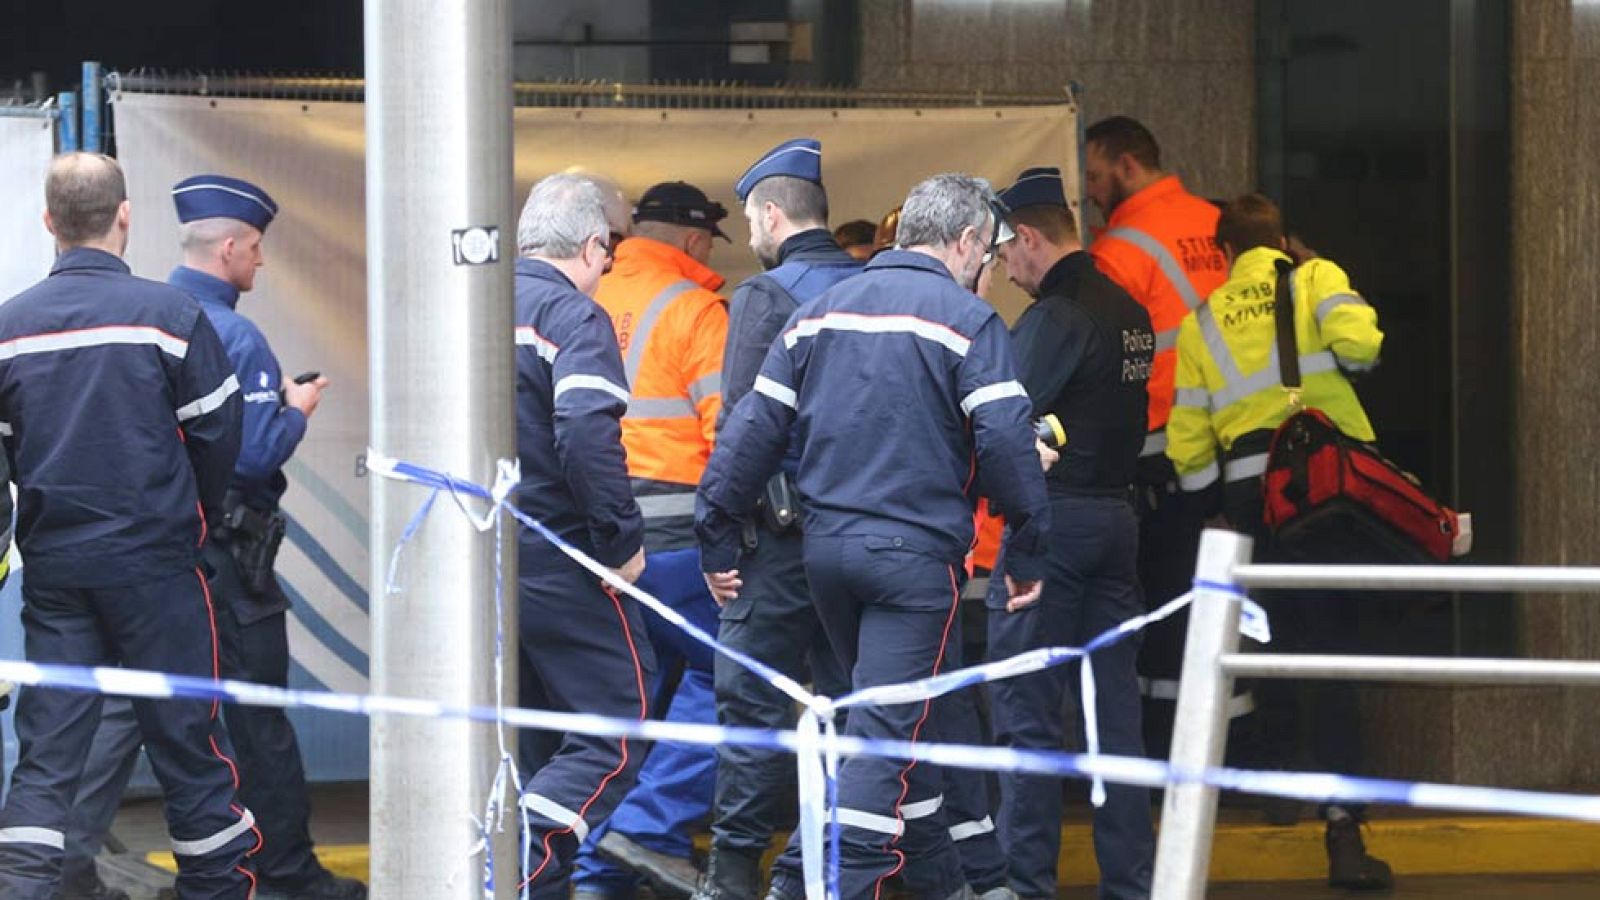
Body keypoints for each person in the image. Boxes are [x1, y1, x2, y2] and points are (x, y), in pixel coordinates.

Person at [697, 173, 1053, 900]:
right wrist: (1028, 548)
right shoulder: (966, 320)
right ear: (964, 244)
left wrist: (717, 534)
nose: (986, 275)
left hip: (825, 560)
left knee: (890, 730)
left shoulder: (817, 313)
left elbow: (750, 434)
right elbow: (1010, 442)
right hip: (913, 568)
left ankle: (947, 888)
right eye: (986, 259)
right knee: (881, 745)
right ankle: (810, 888)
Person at [0, 152, 256, 900]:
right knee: (190, 750)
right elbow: (218, 438)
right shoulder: (174, 318)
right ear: (125, 215)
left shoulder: (7, 330)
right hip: (160, 573)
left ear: (48, 223)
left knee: (47, 756)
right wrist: (192, 525)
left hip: (58, 578)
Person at [1165, 193, 1392, 891]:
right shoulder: (1313, 278)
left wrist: (1216, 510)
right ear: (1282, 243)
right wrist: (1324, 274)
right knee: (1333, 655)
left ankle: (1276, 784)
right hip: (1327, 497)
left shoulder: (1201, 321)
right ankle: (1343, 824)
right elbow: (1364, 347)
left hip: (1250, 510)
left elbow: (1189, 448)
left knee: (1271, 643)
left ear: (1226, 255)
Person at [694, 138, 861, 900]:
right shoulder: (873, 285)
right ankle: (808, 871)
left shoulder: (766, 296)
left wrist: (718, 537)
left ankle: (733, 876)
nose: (750, 237)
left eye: (749, 221)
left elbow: (743, 425)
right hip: (857, 539)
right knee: (846, 711)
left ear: (770, 214)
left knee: (753, 707)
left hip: (780, 546)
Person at [987, 167, 1156, 900]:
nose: (1003, 269)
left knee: (1027, 719)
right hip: (1117, 521)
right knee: (1114, 720)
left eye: (1003, 254)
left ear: (1029, 238)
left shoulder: (1057, 316)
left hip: (1054, 527)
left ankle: (1025, 887)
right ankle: (1132, 884)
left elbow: (1002, 419)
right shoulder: (1127, 308)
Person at [572, 181, 730, 900]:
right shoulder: (696, 308)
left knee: (635, 702)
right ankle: (645, 828)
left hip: (591, 537)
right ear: (695, 242)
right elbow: (728, 437)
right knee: (731, 678)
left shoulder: (582, 296)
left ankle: (597, 865)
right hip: (676, 541)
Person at [509, 173, 654, 899]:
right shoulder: (574, 317)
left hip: (478, 557)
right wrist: (620, 542)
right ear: (595, 247)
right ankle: (517, 865)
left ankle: (533, 882)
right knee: (617, 726)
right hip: (562, 557)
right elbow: (585, 431)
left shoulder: (470, 307)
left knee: (538, 738)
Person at [1082, 116, 1229, 749]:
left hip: (1158, 447)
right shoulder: (1215, 223)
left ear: (1128, 167)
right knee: (1221, 603)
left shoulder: (1120, 249)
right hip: (1233, 438)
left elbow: (1102, 362)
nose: (1088, 190)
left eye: (1093, 175)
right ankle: (1238, 746)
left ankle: (1161, 753)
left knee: (1160, 607)